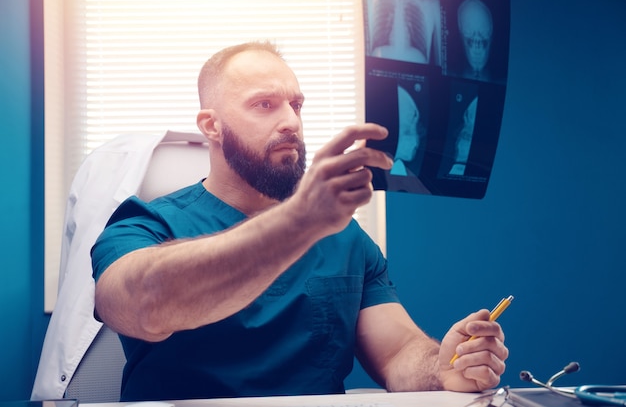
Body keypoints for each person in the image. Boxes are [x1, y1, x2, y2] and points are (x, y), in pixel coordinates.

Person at [91, 41, 508, 401]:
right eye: (264, 104)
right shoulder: (146, 223)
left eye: (296, 105)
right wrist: (296, 223)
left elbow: (398, 352)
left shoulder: (343, 236)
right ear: (211, 126)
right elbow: (141, 304)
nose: (291, 121)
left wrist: (445, 367)